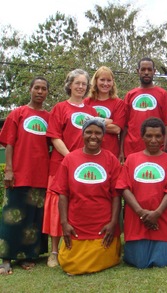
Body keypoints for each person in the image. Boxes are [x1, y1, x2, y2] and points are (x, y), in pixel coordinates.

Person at [50, 118, 122, 275]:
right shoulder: (70, 159)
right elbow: (63, 194)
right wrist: (64, 223)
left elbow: (117, 195)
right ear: (82, 134)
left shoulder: (111, 159)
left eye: (98, 133)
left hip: (103, 224)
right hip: (77, 224)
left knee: (104, 256)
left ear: (104, 136)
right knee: (69, 263)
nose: (93, 136)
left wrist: (113, 223)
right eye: (89, 132)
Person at [43, 69, 98, 268]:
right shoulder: (59, 108)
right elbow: (55, 137)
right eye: (77, 83)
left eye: (84, 84)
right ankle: (54, 252)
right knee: (58, 208)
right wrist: (71, 158)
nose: (81, 87)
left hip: (84, 167)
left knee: (79, 206)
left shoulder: (92, 112)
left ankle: (76, 246)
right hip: (61, 165)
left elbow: (96, 138)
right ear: (69, 85)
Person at [116, 117, 167, 269]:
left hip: (162, 219)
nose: (153, 140)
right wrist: (141, 212)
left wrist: (156, 213)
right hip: (137, 220)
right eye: (149, 136)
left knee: (161, 261)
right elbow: (124, 188)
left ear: (163, 137)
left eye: (158, 136)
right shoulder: (132, 159)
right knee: (140, 262)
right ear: (142, 137)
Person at [0, 77, 50, 275]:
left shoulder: (49, 117)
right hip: (19, 175)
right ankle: (5, 258)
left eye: (43, 89)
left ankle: (28, 256)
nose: (39, 91)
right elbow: (9, 143)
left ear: (47, 92)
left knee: (33, 219)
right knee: (11, 217)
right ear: (30, 90)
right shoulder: (17, 113)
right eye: (36, 88)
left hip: (41, 176)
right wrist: (9, 170)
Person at [119, 57, 167, 162]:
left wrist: (164, 147)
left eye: (149, 69)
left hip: (156, 149)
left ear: (154, 71)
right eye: (143, 69)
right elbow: (124, 126)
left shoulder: (163, 94)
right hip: (131, 149)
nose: (146, 72)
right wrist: (121, 150)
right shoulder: (130, 95)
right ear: (138, 71)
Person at [84, 66, 126, 157]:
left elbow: (116, 129)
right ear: (96, 81)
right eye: (102, 80)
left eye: (109, 80)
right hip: (89, 151)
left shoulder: (119, 103)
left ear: (113, 82)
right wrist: (107, 121)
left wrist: (93, 121)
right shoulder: (86, 102)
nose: (105, 83)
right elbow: (82, 126)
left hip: (110, 152)